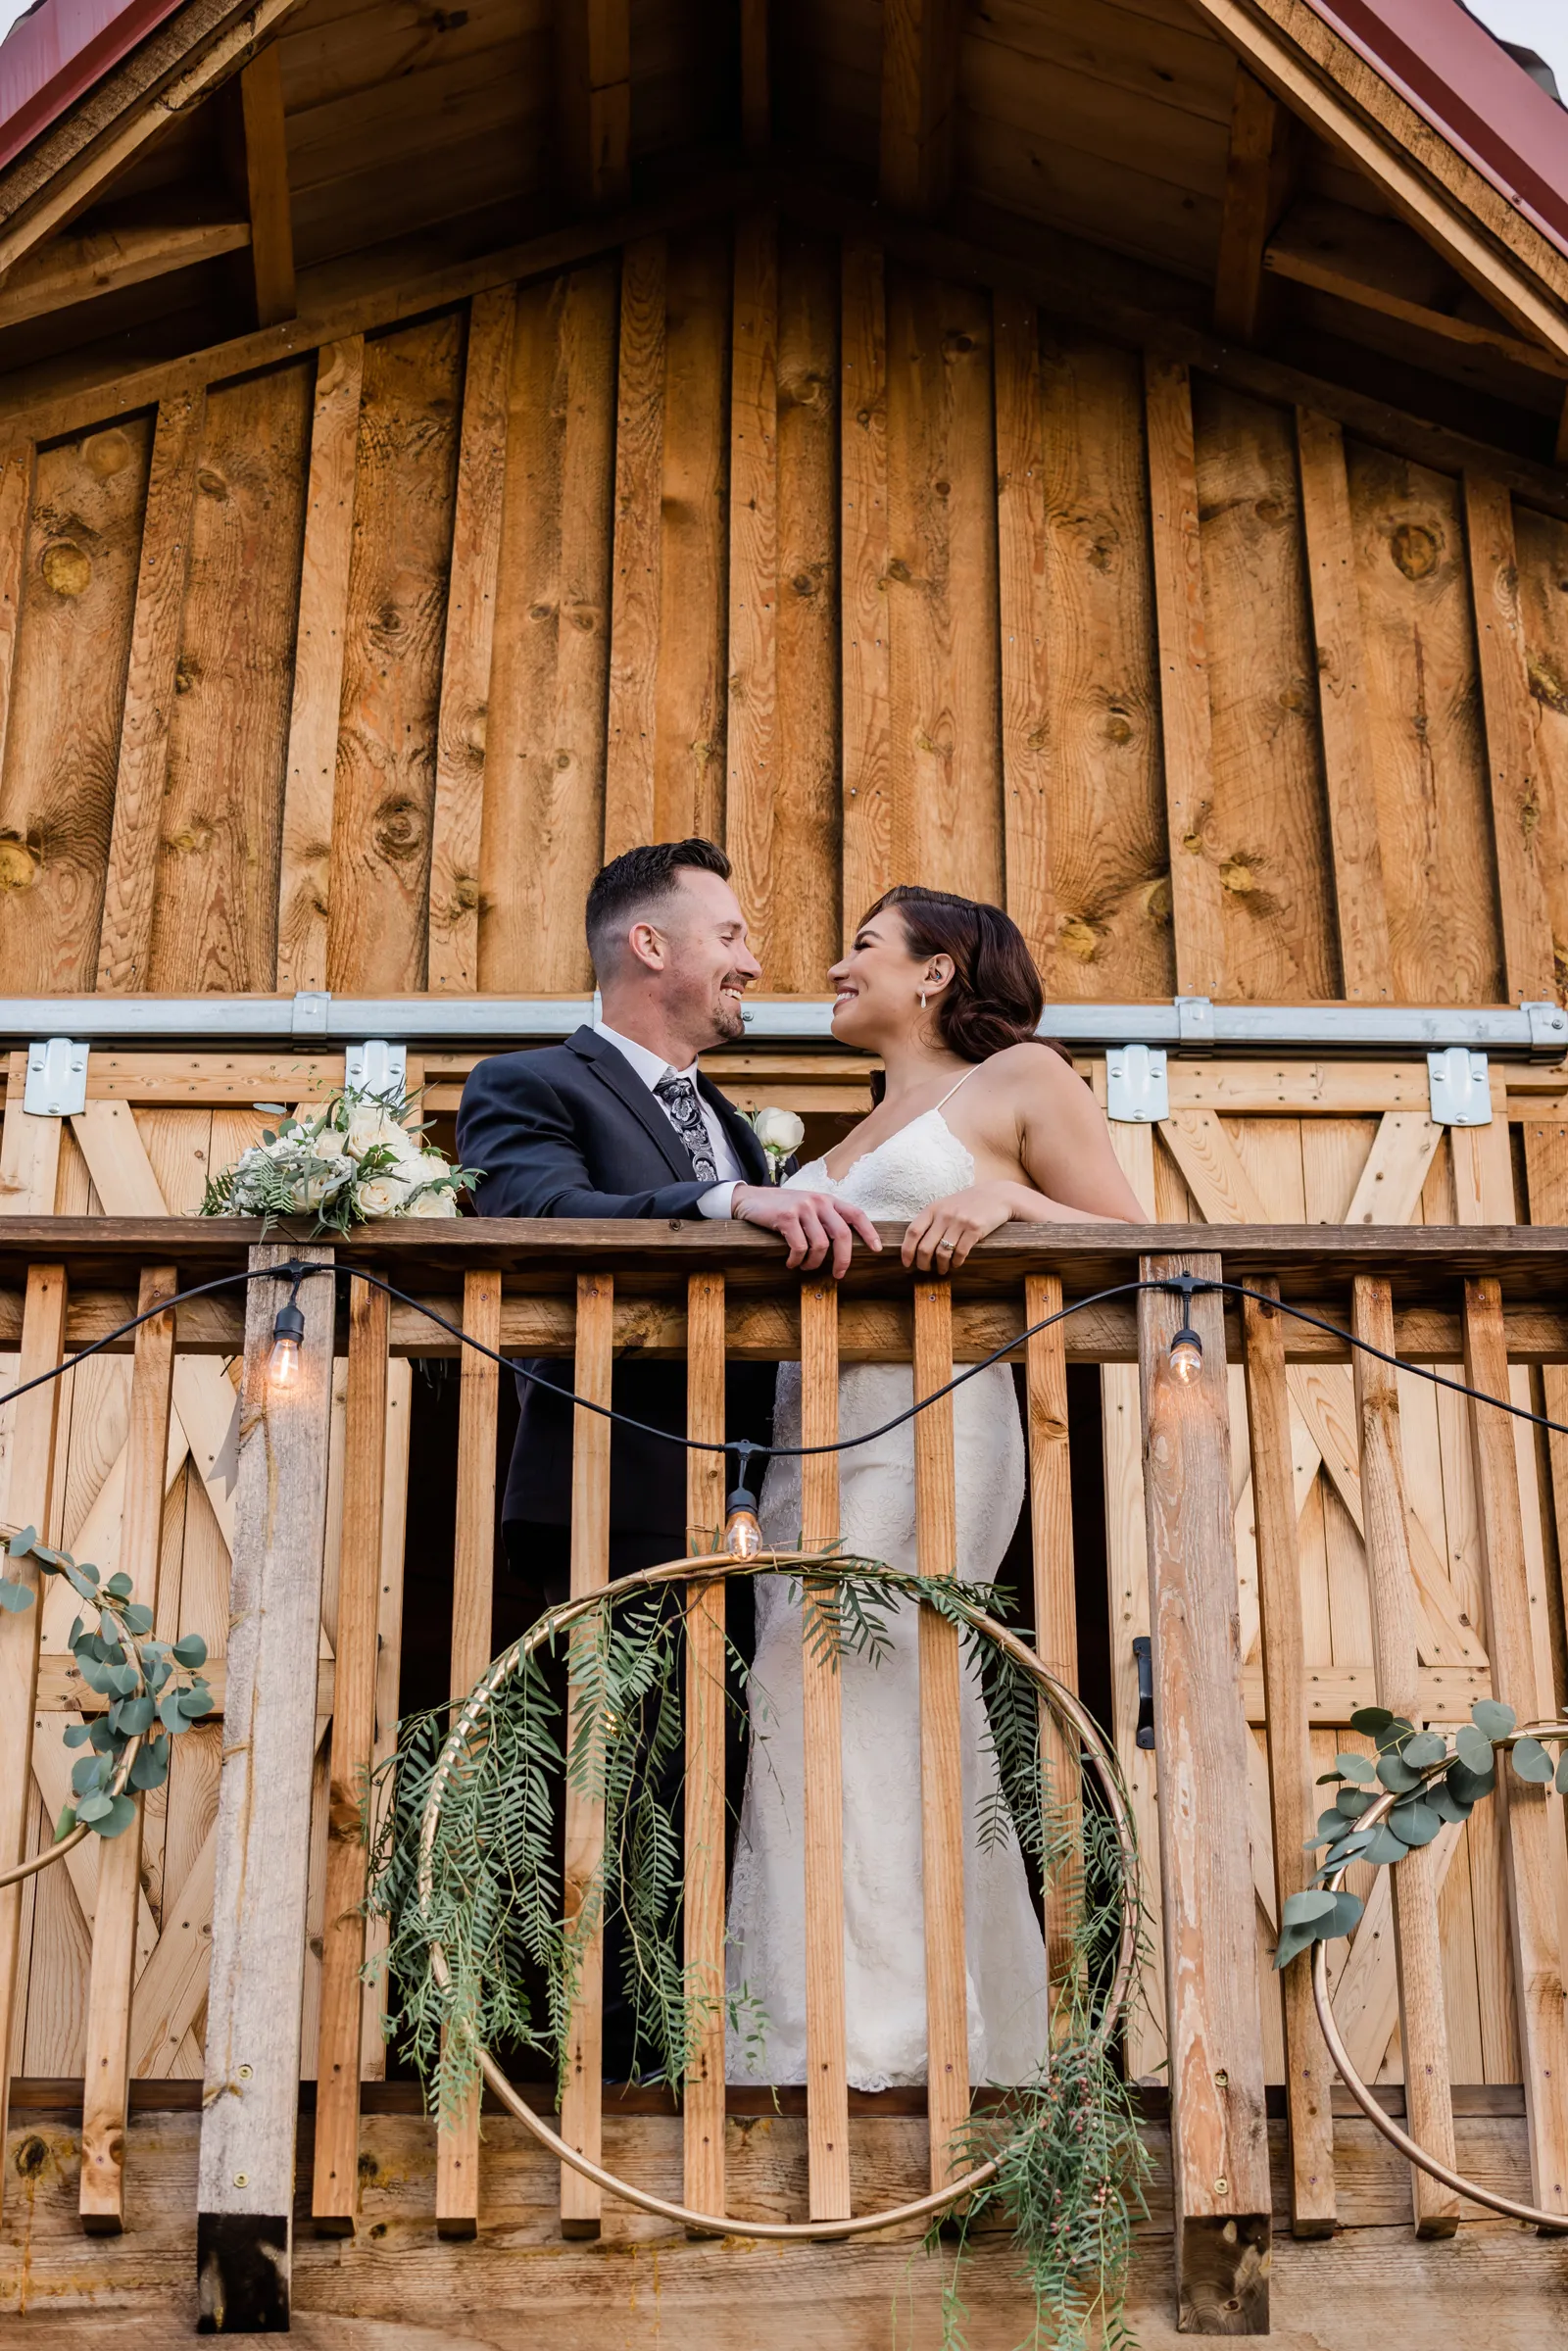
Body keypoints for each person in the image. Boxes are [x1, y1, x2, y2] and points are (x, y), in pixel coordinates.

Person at [456, 837, 880, 2079]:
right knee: (612, 1791)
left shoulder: (739, 1127)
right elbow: (528, 1210)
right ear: (652, 947)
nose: (756, 960)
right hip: (614, 1494)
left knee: (726, 1790)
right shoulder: (532, 1081)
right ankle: (589, 2065)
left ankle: (701, 2051)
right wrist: (717, 1207)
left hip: (745, 1509)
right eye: (734, 934)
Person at [725, 884, 1144, 2091]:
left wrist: (1011, 1200)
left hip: (934, 1431)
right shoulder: (850, 1130)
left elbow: (1143, 1239)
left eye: (862, 945)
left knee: (894, 1698)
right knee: (802, 1716)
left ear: (937, 973)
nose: (835, 964)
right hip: (812, 1444)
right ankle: (809, 2032)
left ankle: (913, 2042)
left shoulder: (1021, 1080)